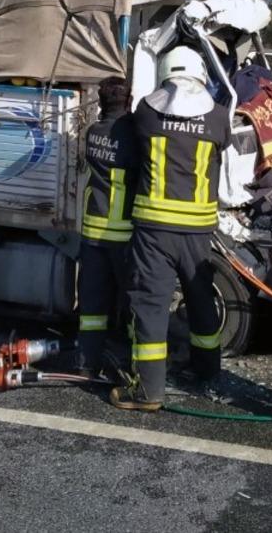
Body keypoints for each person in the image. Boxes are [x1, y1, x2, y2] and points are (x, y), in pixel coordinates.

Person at [111, 46, 232, 412]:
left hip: (155, 229)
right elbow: (223, 146)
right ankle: (207, 370)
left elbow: (132, 152)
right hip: (197, 229)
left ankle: (148, 391)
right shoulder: (219, 116)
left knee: (151, 305)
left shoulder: (146, 111)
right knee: (201, 300)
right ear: (199, 73)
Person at [77, 76, 137, 378]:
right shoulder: (132, 134)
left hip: (93, 231)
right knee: (129, 302)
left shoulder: (93, 133)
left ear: (101, 102)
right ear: (128, 100)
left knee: (92, 303)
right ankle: (127, 365)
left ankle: (88, 362)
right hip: (123, 232)